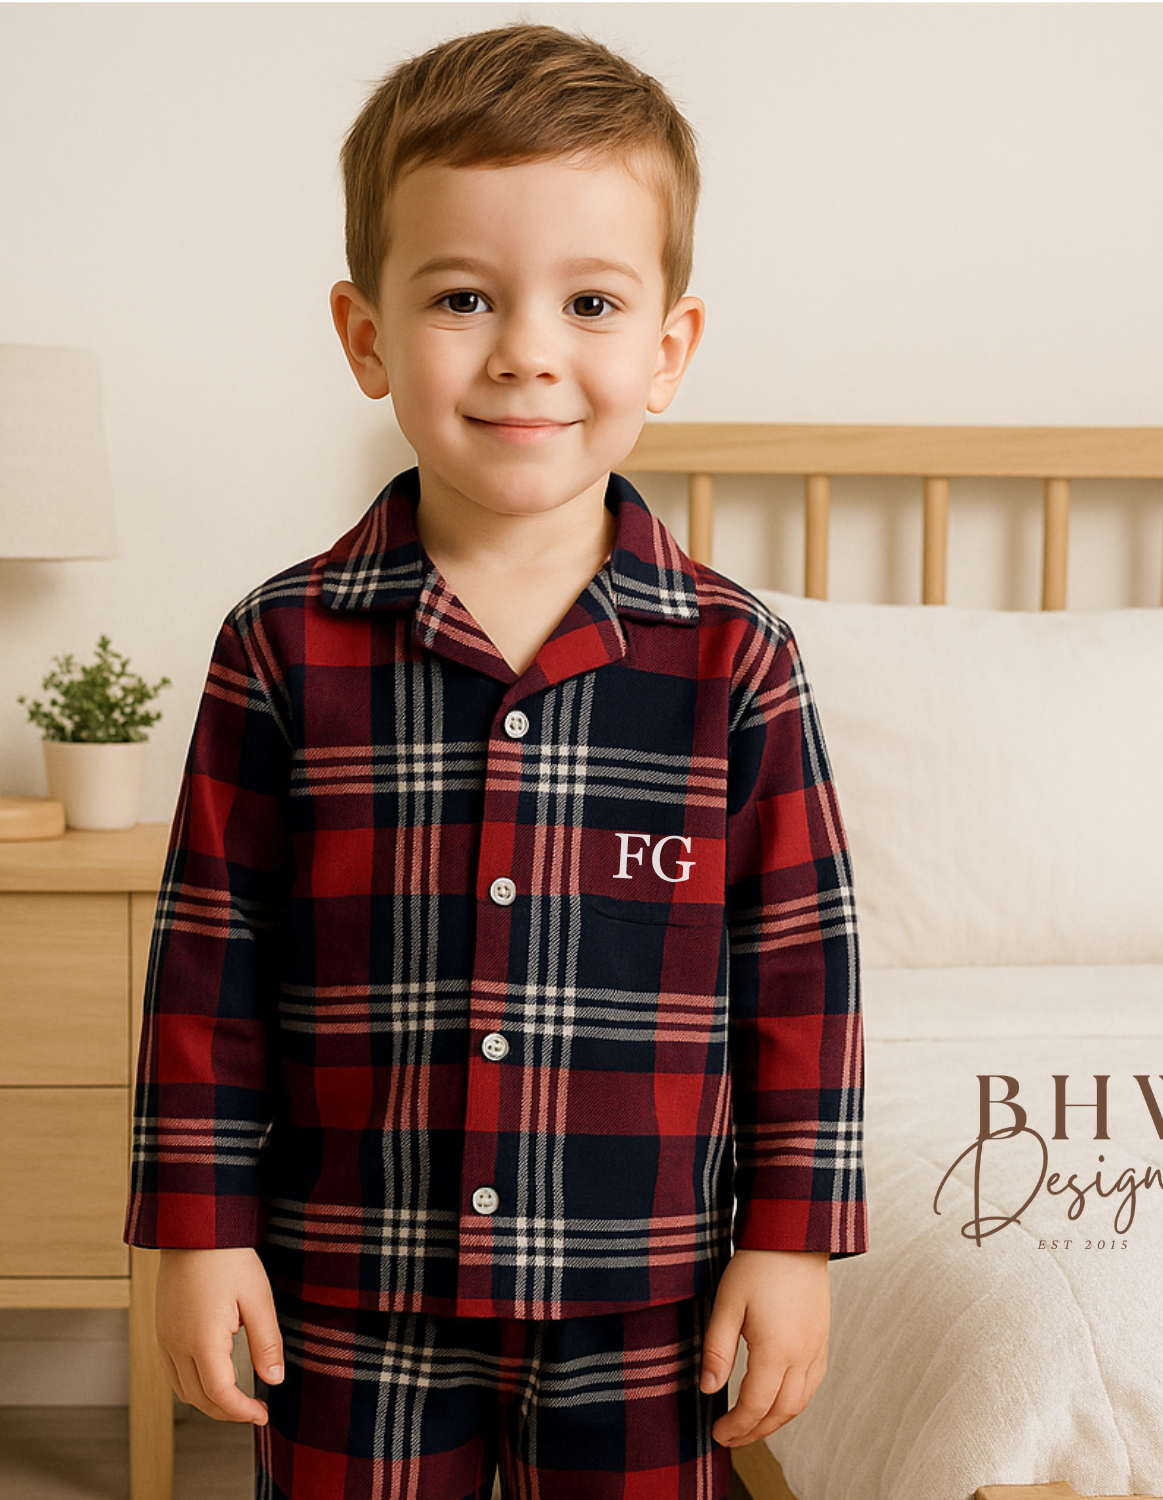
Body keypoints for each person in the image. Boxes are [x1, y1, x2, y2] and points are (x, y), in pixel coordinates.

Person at [124, 22, 867, 1499]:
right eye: (462, 297)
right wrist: (196, 1233)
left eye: (590, 302)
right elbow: (210, 966)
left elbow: (800, 975)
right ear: (365, 337)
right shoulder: (279, 645)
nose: (527, 349)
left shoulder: (737, 660)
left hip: (645, 1293)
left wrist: (790, 1240)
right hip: (351, 1285)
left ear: (667, 349)